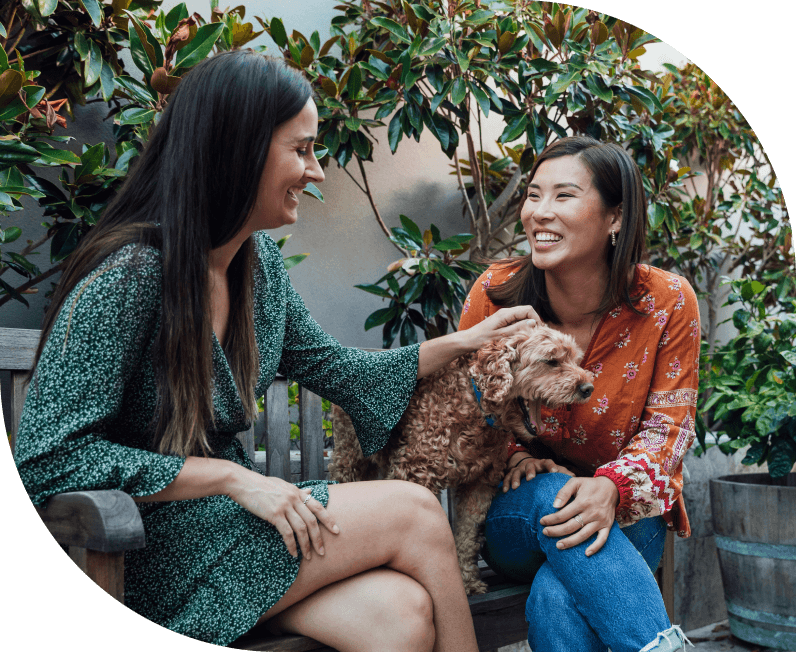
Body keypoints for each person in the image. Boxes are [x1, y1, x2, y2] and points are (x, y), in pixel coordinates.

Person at [13, 51, 540, 652]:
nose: (316, 172)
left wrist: (466, 341)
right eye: (303, 149)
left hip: (234, 539)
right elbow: (47, 462)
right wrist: (228, 478)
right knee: (417, 511)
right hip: (147, 549)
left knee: (403, 616)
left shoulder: (257, 267)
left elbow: (340, 371)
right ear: (238, 152)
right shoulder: (130, 279)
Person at [458, 136, 699, 652]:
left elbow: (669, 428)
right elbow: (471, 405)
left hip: (628, 508)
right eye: (533, 195)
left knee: (557, 597)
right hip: (518, 510)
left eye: (563, 196)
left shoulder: (667, 301)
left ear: (615, 217)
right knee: (554, 494)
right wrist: (516, 453)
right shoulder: (494, 294)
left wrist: (611, 487)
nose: (539, 213)